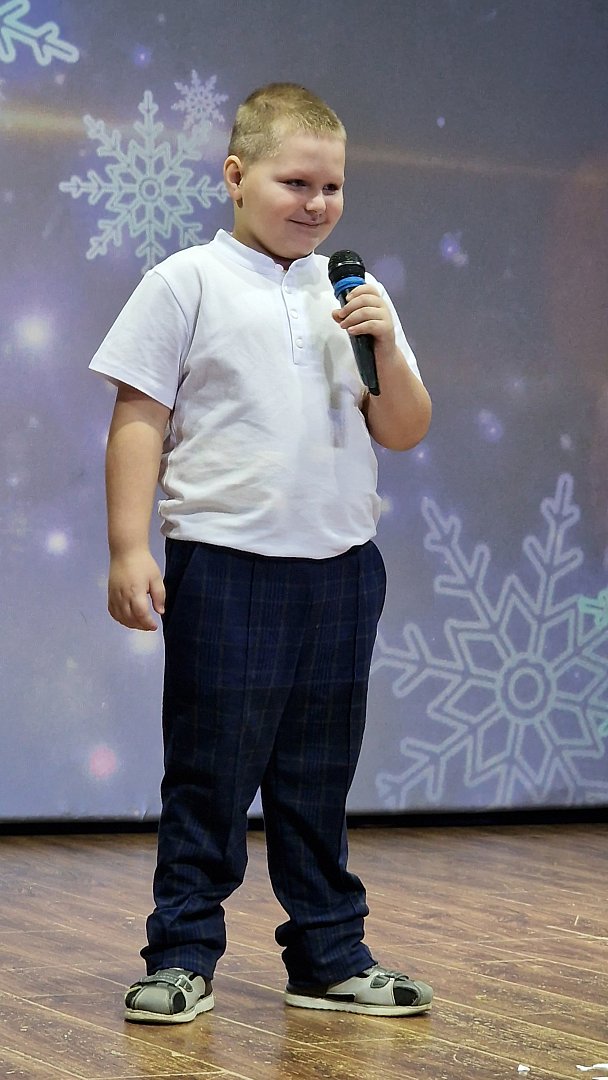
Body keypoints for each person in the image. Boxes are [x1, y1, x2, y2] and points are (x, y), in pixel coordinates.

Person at [90, 82, 433, 1024]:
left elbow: (404, 428)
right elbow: (138, 417)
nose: (317, 203)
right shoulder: (186, 282)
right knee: (211, 771)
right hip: (227, 563)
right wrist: (127, 547)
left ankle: (328, 955)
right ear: (236, 176)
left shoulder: (352, 293)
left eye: (333, 186)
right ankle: (181, 954)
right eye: (295, 182)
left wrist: (385, 345)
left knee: (319, 773)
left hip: (342, 568)